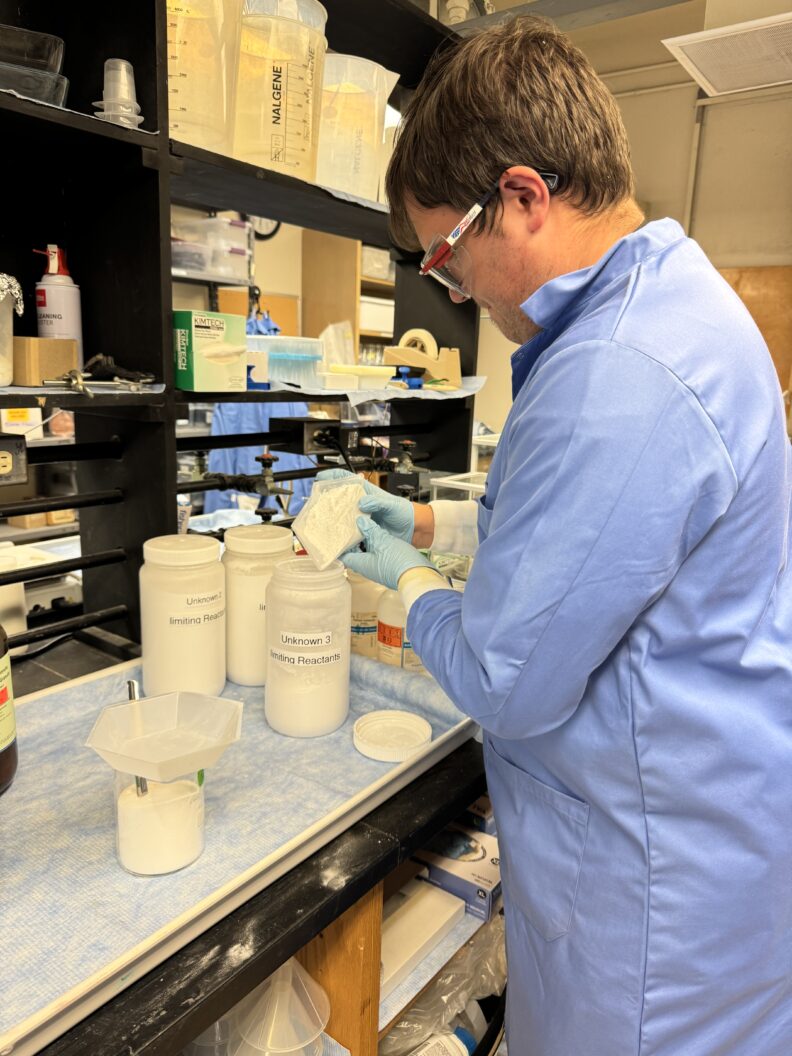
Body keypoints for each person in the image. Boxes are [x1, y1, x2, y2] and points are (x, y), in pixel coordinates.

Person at [323, 16, 792, 1056]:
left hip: (654, 908)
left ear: (525, 197)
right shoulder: (661, 305)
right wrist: (440, 520)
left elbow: (504, 676)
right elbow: (585, 530)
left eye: (444, 256)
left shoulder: (619, 371)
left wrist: (410, 584)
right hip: (705, 833)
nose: (451, 292)